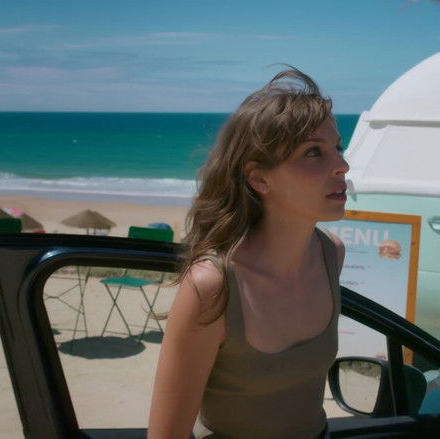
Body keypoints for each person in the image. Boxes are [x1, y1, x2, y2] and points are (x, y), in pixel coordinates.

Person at [147, 68, 348, 439]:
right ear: (259, 179)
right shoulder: (212, 287)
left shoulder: (331, 254)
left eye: (338, 147)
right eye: (313, 152)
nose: (342, 165)